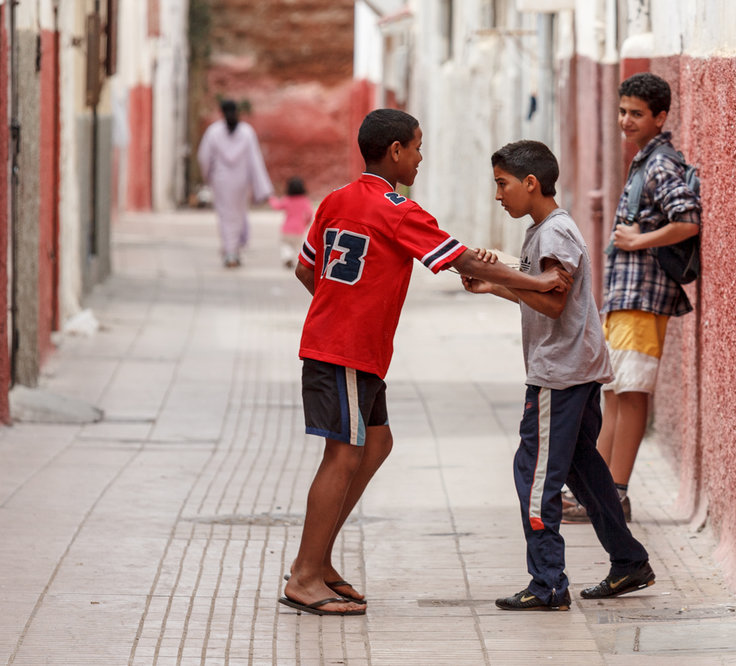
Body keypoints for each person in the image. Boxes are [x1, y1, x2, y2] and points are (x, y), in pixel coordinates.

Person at [280, 109, 572, 617]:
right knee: (343, 455)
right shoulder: (398, 208)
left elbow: (308, 269)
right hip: (345, 350)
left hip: (350, 348)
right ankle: (305, 575)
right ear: (394, 151)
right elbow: (465, 261)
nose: (420, 159)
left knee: (377, 442)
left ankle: (319, 560)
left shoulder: (335, 200)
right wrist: (536, 281)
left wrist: (337, 308)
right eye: (417, 148)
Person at [461, 139, 655, 611]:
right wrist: (495, 285)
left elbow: (552, 300)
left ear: (531, 183)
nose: (498, 195)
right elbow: (541, 296)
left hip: (560, 376)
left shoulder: (553, 234)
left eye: (502, 185)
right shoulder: (546, 230)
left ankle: (548, 581)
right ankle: (629, 561)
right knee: (582, 468)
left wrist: (505, 277)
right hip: (576, 369)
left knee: (534, 474)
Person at [562, 72, 701, 524]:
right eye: (623, 112)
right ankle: (596, 490)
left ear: (660, 117)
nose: (626, 120)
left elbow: (688, 220)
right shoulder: (644, 161)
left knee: (633, 391)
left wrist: (640, 240)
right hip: (626, 297)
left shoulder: (661, 164)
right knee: (615, 390)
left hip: (644, 296)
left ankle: (614, 493)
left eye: (636, 114)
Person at [197, 99, 274, 268]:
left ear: (221, 113)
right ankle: (234, 250)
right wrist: (260, 186)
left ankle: (230, 251)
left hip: (221, 181)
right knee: (238, 215)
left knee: (225, 216)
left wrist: (207, 176)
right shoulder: (247, 132)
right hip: (241, 181)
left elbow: (204, 157)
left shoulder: (213, 132)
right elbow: (255, 161)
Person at [268, 176, 314, 268]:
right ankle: (300, 260)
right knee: (297, 246)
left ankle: (288, 257)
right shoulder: (305, 200)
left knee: (285, 245)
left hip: (287, 229)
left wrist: (271, 198)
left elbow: (276, 206)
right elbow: (309, 214)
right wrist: (306, 223)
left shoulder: (287, 199)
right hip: (299, 229)